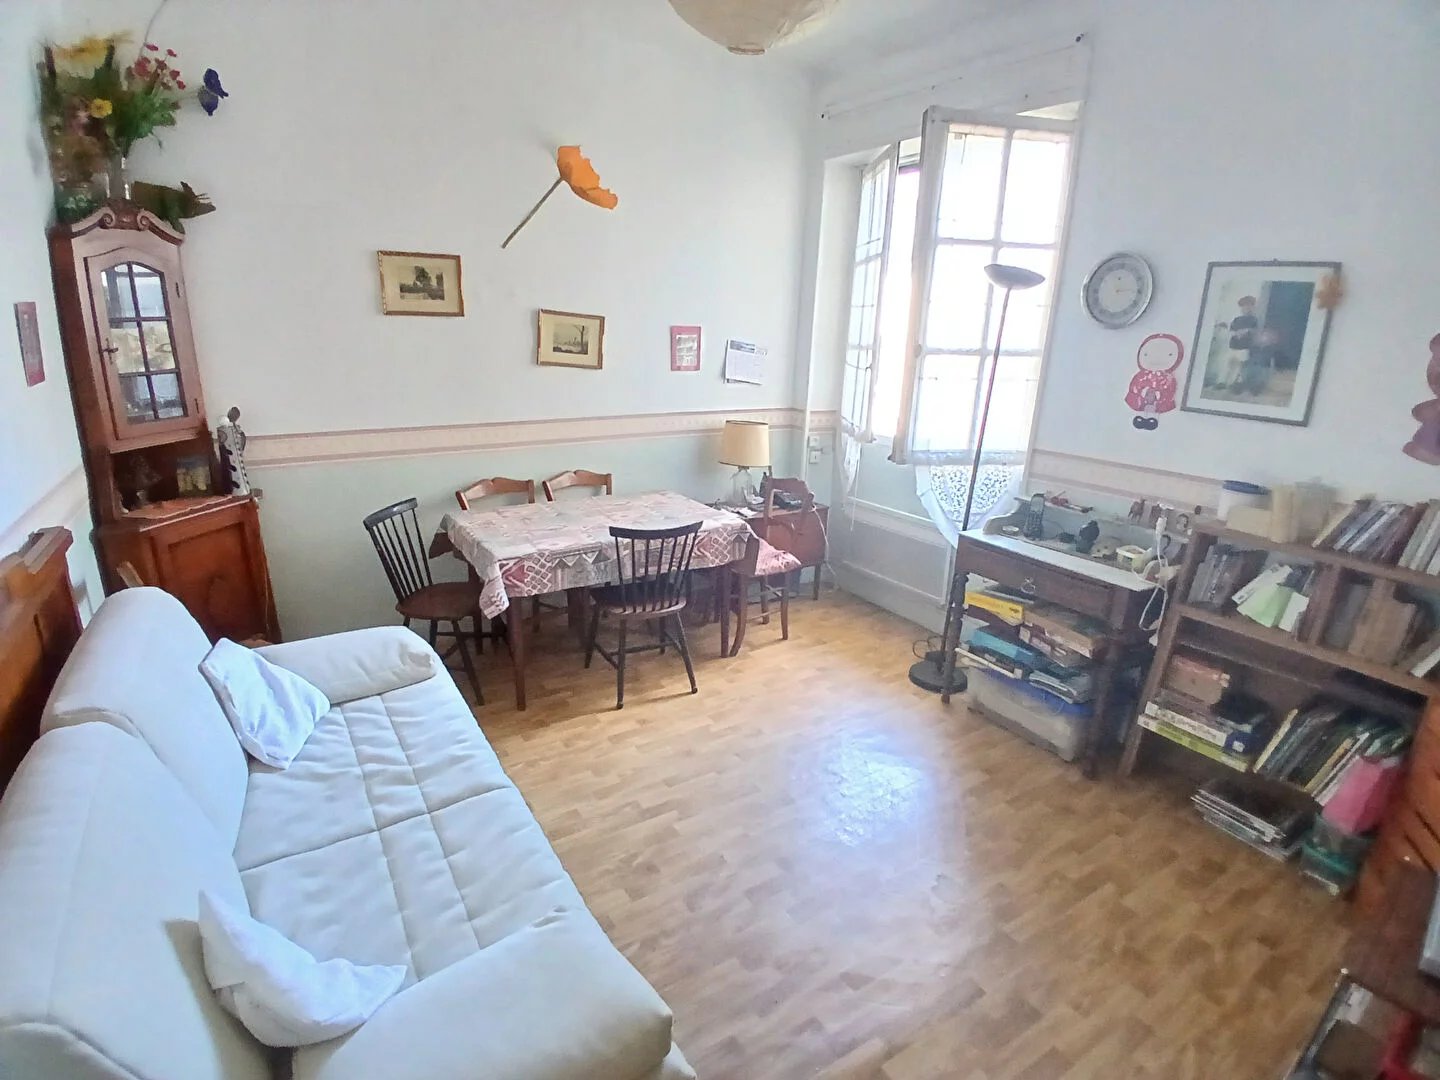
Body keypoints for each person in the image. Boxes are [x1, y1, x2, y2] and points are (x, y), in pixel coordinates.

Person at [1216, 295, 1259, 389]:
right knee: (1226, 364)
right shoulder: (1237, 319)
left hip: (1244, 347)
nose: (1245, 308)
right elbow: (1231, 329)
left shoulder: (1253, 320)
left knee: (1238, 367)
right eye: (1243, 306)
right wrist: (1228, 328)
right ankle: (1221, 382)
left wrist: (1245, 331)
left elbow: (1253, 331)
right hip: (1233, 346)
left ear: (1252, 307)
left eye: (1248, 306)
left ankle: (1233, 384)